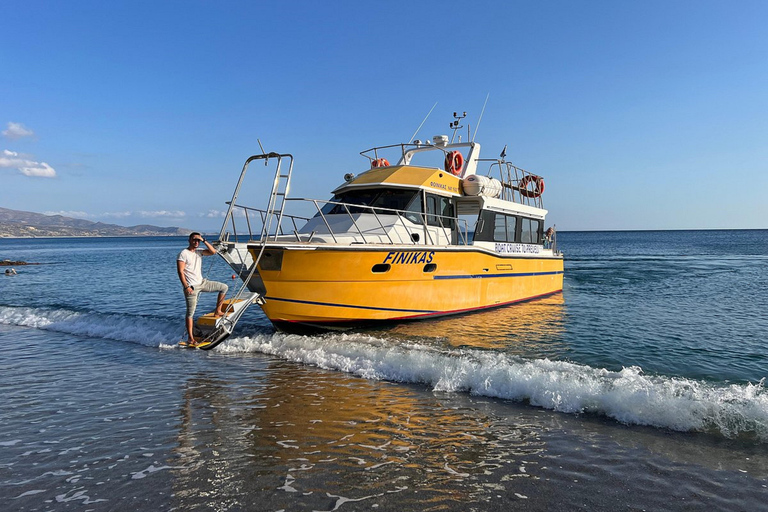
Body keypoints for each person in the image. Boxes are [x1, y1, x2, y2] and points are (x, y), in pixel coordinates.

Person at [177, 233, 228, 345]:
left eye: (198, 240)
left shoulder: (199, 251)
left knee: (224, 287)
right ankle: (190, 338)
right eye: (194, 240)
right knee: (190, 313)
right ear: (189, 240)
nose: (196, 242)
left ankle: (218, 311)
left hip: (202, 283)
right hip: (192, 287)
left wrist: (204, 240)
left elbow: (213, 252)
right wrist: (186, 287)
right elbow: (180, 272)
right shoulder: (183, 253)